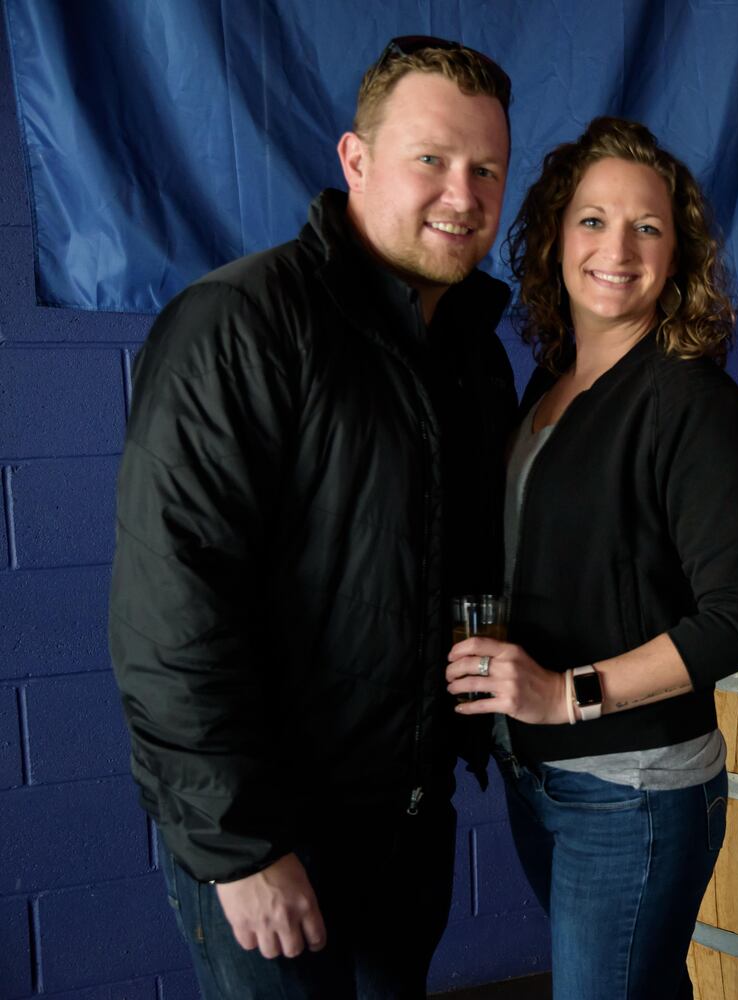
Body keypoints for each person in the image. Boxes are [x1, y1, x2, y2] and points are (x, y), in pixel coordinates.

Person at [108, 37, 515, 998]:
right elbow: (171, 612)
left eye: (487, 168)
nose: (463, 194)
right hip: (274, 838)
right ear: (355, 160)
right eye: (431, 159)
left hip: (408, 823)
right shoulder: (238, 325)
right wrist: (242, 849)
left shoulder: (470, 351)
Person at [443, 116, 738, 1000]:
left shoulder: (692, 403)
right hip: (541, 774)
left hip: (632, 790)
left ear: (679, 255)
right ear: (556, 236)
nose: (618, 248)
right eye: (593, 220)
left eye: (648, 227)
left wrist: (566, 694)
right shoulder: (551, 385)